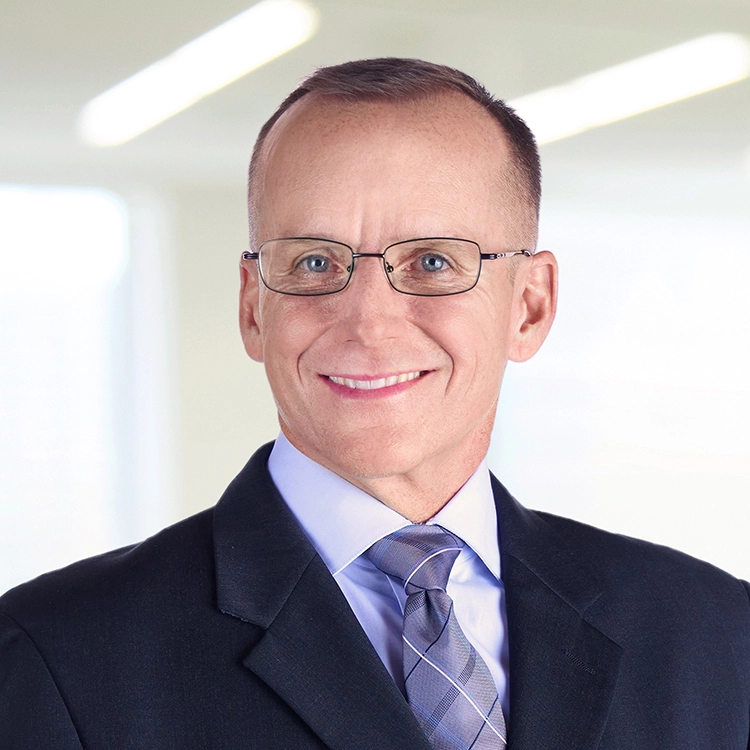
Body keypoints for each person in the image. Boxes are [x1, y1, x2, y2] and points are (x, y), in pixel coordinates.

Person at [1, 58, 748, 750]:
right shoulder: (53, 656)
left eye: (433, 262)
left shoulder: (717, 637)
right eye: (314, 262)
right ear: (254, 308)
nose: (368, 322)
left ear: (530, 306)